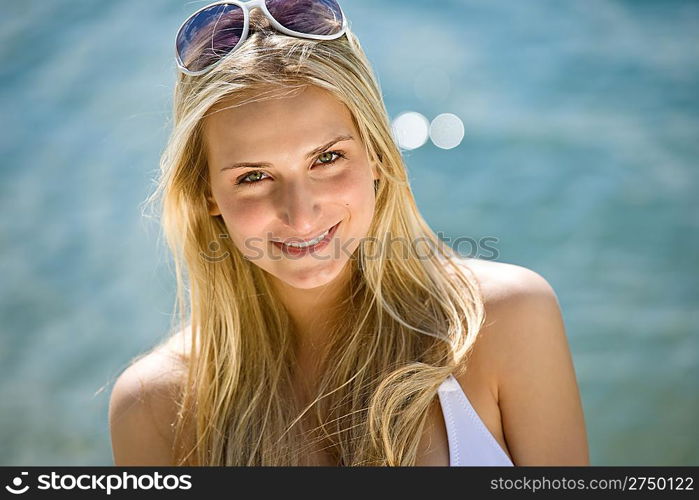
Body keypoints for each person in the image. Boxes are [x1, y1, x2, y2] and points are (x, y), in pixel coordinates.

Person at [108, 0, 589, 466]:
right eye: (253, 177)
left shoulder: (504, 320)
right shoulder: (153, 409)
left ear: (376, 155)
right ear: (207, 192)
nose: (301, 217)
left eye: (327, 158)